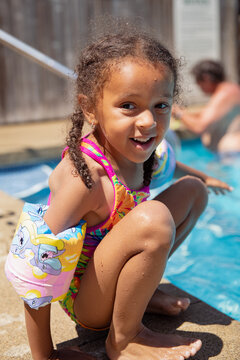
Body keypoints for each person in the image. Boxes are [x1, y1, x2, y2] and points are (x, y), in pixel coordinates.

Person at [5, 29, 232, 360]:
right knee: (154, 219)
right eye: (128, 106)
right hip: (87, 303)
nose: (148, 121)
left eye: (161, 105)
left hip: (111, 275)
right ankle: (124, 338)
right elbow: (36, 262)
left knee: (193, 192)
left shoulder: (144, 151)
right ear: (91, 109)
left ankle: (139, 295)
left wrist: (204, 176)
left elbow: (173, 163)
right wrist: (46, 356)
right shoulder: (85, 179)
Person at [172, 59, 240, 153]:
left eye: (198, 81)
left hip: (232, 154)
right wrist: (184, 113)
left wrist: (179, 113)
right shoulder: (229, 89)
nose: (198, 85)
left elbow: (199, 127)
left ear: (206, 78)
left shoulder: (224, 93)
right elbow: (206, 114)